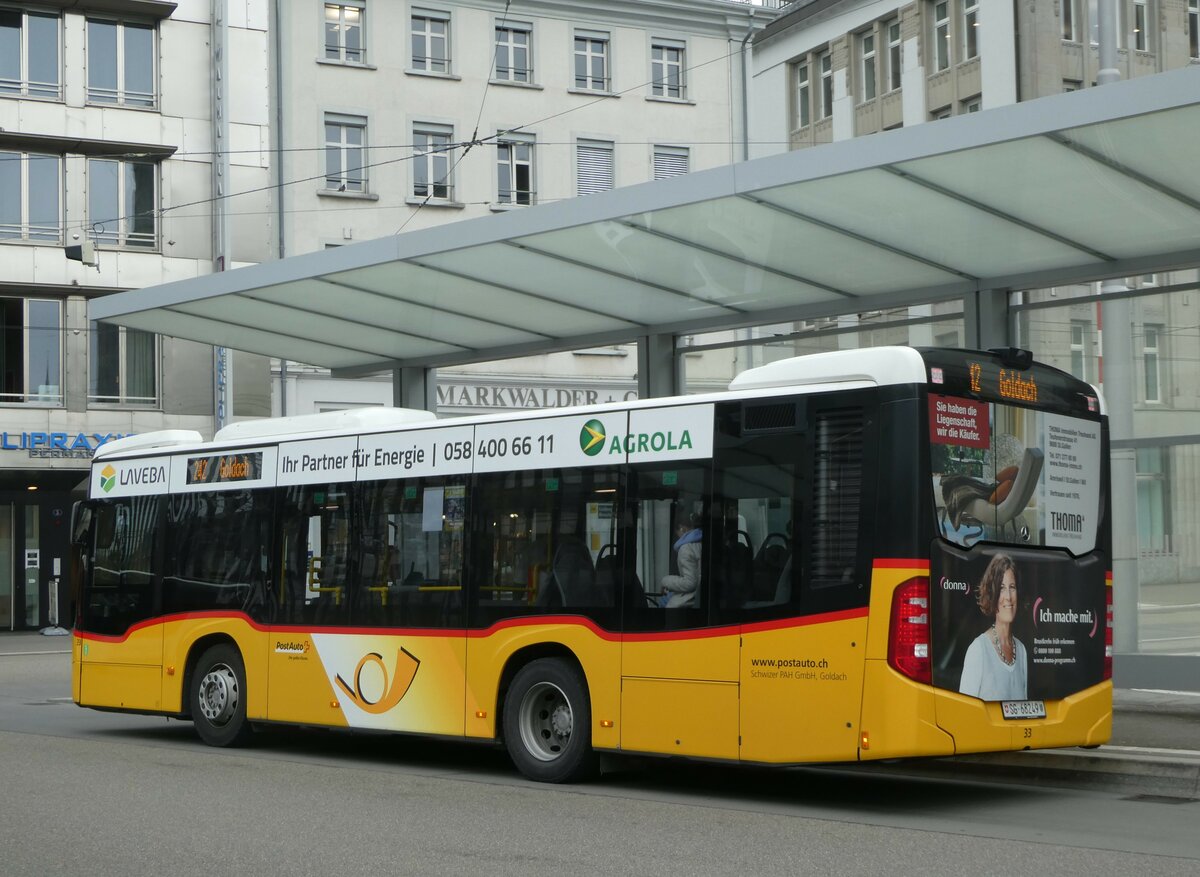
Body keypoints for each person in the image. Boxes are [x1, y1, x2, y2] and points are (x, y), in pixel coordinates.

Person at [958, 553, 1028, 700]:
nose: (1008, 596)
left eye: (1012, 587)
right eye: (1001, 588)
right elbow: (964, 714)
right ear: (991, 594)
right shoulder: (978, 650)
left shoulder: (1021, 651)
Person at [658, 514, 702, 608]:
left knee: (664, 603)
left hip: (691, 599)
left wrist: (665, 581)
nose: (678, 537)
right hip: (699, 596)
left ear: (682, 528)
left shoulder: (686, 548)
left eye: (677, 533)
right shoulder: (701, 542)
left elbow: (690, 583)